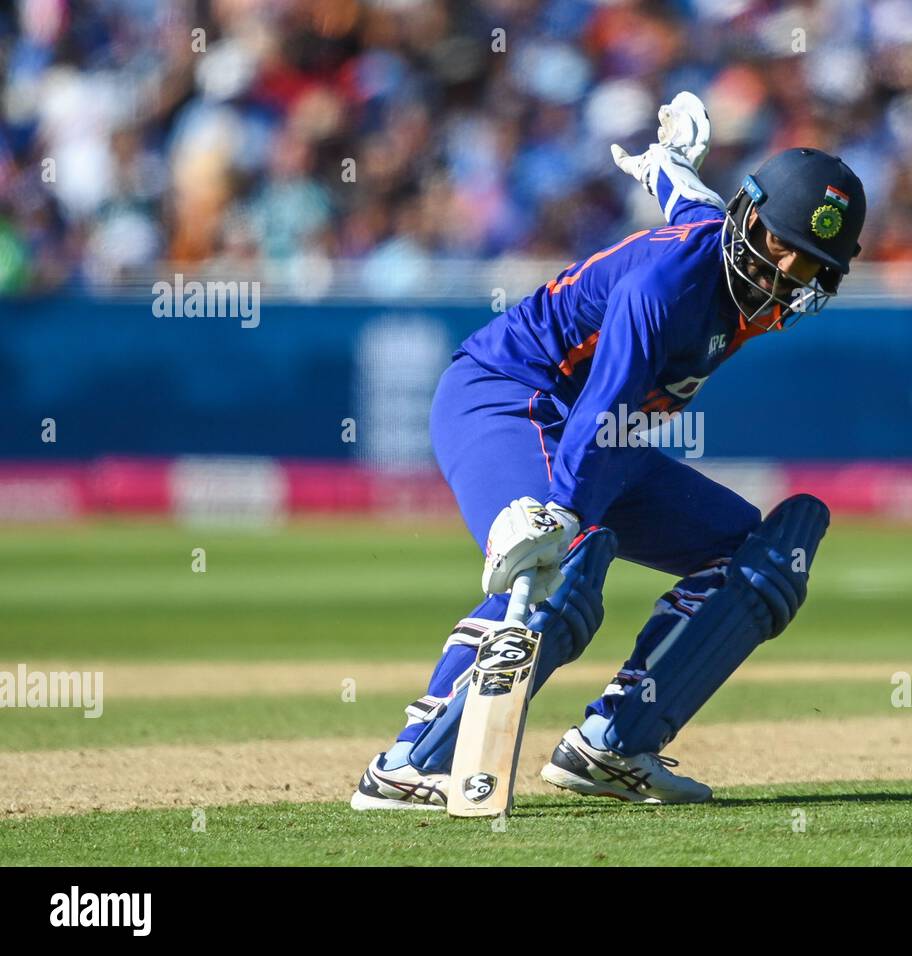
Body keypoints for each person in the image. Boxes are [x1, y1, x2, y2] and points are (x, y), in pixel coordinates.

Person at [352, 93, 866, 809]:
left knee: (760, 560)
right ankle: (408, 763)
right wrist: (561, 516)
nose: (785, 272)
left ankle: (614, 744)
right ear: (749, 220)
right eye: (779, 243)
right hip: (506, 398)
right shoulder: (665, 288)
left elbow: (690, 201)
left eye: (809, 265)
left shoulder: (727, 243)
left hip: (601, 433)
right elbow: (607, 405)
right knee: (564, 565)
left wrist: (668, 162)